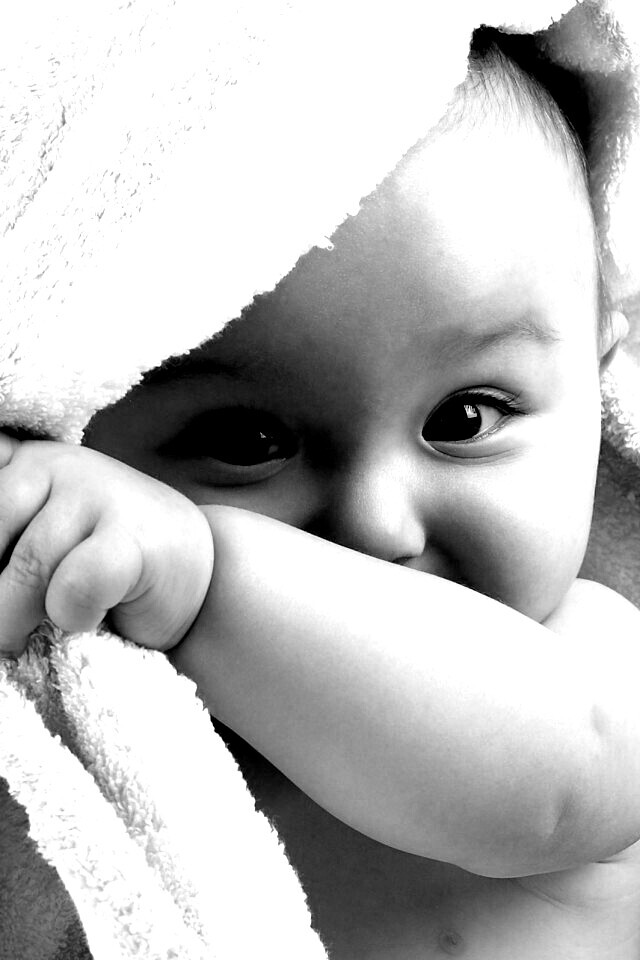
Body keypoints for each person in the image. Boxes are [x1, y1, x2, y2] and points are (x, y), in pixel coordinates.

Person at [2, 35, 640, 959]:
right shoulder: (67, 745)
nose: (376, 524)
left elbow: (553, 796)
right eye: (247, 443)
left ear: (599, 370)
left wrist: (200, 580)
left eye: (464, 418)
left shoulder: (590, 665)